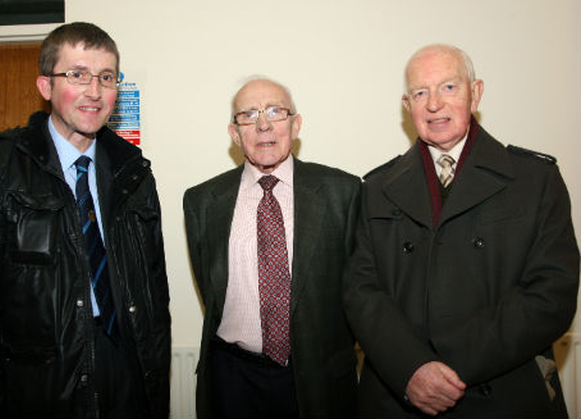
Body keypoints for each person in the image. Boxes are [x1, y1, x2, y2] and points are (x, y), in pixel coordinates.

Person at [0, 22, 170, 418]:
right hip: (43, 385)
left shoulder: (134, 173)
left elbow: (155, 295)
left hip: (126, 372)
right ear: (46, 86)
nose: (94, 91)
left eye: (106, 77)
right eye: (77, 75)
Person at [343, 43, 580, 417]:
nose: (434, 103)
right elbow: (360, 291)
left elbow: (553, 294)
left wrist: (447, 365)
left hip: (503, 393)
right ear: (408, 107)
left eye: (449, 87)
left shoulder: (535, 180)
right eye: (421, 93)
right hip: (398, 395)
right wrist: (412, 368)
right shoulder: (375, 188)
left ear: (476, 93)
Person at [183, 77, 361, 418]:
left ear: (296, 125)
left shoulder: (344, 192)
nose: (263, 124)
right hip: (233, 379)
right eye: (248, 115)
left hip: (318, 378)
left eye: (275, 112)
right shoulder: (203, 201)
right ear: (235, 134)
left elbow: (358, 289)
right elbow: (212, 289)